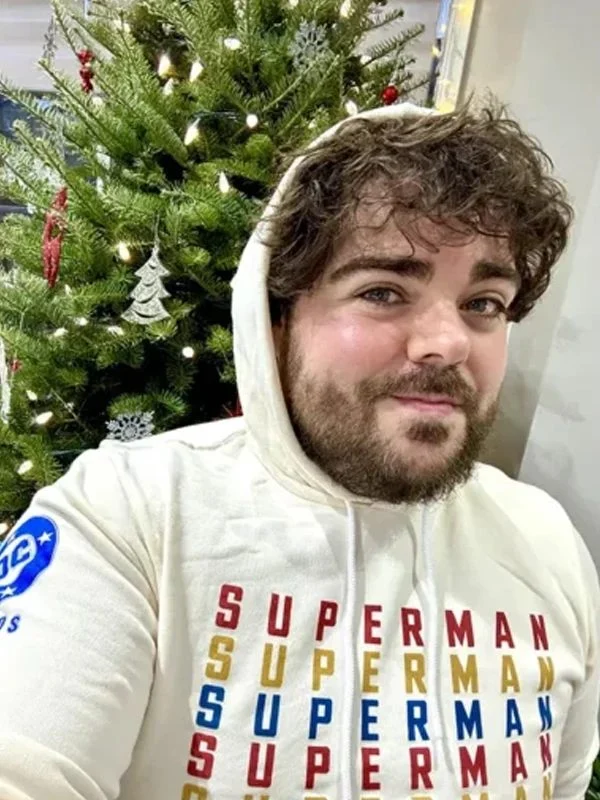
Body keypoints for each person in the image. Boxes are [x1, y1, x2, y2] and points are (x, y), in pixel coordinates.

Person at [0, 100, 598, 800]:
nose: (448, 342)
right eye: (384, 291)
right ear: (276, 320)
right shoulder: (127, 514)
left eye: (484, 303)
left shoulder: (546, 542)